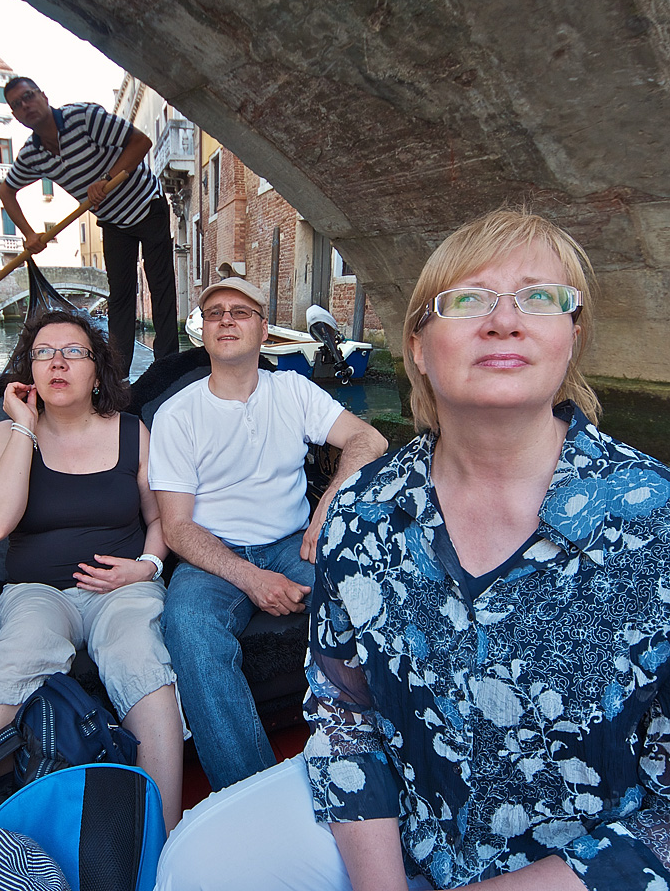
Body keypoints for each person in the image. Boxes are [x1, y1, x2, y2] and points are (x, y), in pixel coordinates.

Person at [155, 209, 670, 890]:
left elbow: (364, 438)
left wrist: (323, 507)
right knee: (197, 853)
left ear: (571, 338)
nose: (504, 320)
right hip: (227, 560)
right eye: (467, 300)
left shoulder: (655, 522)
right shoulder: (363, 512)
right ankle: (234, 777)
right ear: (419, 349)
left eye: (539, 297)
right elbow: (347, 717)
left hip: (593, 865)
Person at [149, 277, 388, 791]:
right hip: (212, 556)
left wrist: (328, 502)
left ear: (263, 330)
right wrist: (252, 579)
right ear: (203, 332)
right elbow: (177, 527)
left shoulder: (293, 390)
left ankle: (382, 753)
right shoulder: (177, 414)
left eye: (240, 311)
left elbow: (368, 439)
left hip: (292, 542)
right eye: (215, 313)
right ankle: (250, 791)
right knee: (188, 625)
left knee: (367, 593)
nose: (226, 319)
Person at [0, 308, 183, 831]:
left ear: (96, 372)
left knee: (139, 657)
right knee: (18, 654)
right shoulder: (3, 436)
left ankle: (165, 837)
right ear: (30, 371)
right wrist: (25, 428)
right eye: (44, 353)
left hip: (122, 590)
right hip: (36, 591)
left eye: (73, 353)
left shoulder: (131, 432)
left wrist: (146, 567)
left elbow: (160, 519)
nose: (57, 363)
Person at [0, 78, 178, 374]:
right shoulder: (32, 154)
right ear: (15, 115)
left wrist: (106, 179)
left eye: (28, 96)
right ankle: (117, 375)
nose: (25, 105)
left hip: (147, 204)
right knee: (120, 298)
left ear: (43, 96)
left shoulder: (83, 118)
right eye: (17, 104)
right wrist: (29, 234)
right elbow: (6, 192)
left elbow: (141, 142)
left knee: (161, 289)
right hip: (113, 220)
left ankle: (168, 369)